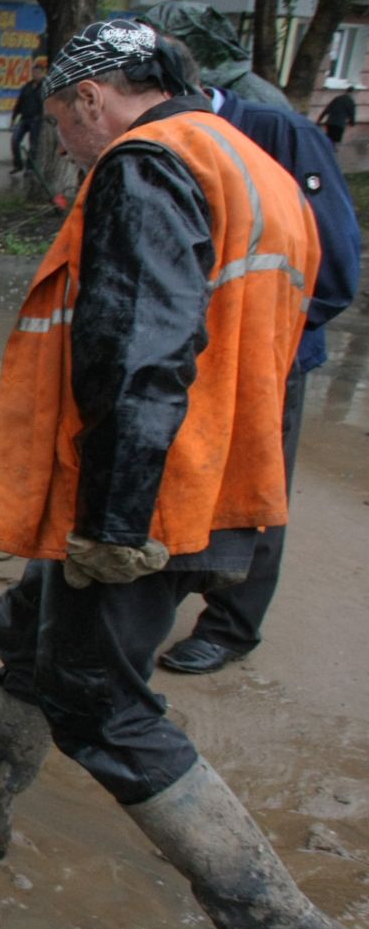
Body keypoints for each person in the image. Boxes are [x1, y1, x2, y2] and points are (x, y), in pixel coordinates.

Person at [0, 19, 356, 929]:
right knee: (31, 632)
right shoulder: (254, 164)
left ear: (95, 94)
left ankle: (269, 919)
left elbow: (137, 346)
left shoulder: (146, 164)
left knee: (97, 700)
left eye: (61, 116)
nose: (62, 137)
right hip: (215, 478)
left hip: (151, 494)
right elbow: (308, 310)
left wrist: (115, 517)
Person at [155, 42, 362, 676]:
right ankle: (170, 589)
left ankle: (232, 626)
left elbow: (336, 266)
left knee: (257, 489)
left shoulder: (280, 134)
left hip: (270, 360)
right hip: (197, 354)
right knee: (188, 477)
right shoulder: (168, 143)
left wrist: (263, 340)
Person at [9, 63, 45, 173]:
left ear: (43, 74)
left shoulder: (45, 88)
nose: (35, 75)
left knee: (33, 145)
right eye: (34, 72)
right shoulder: (27, 87)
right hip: (24, 118)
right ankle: (18, 165)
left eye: (38, 73)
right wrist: (13, 119)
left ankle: (30, 168)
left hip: (36, 119)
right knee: (15, 140)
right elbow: (19, 103)